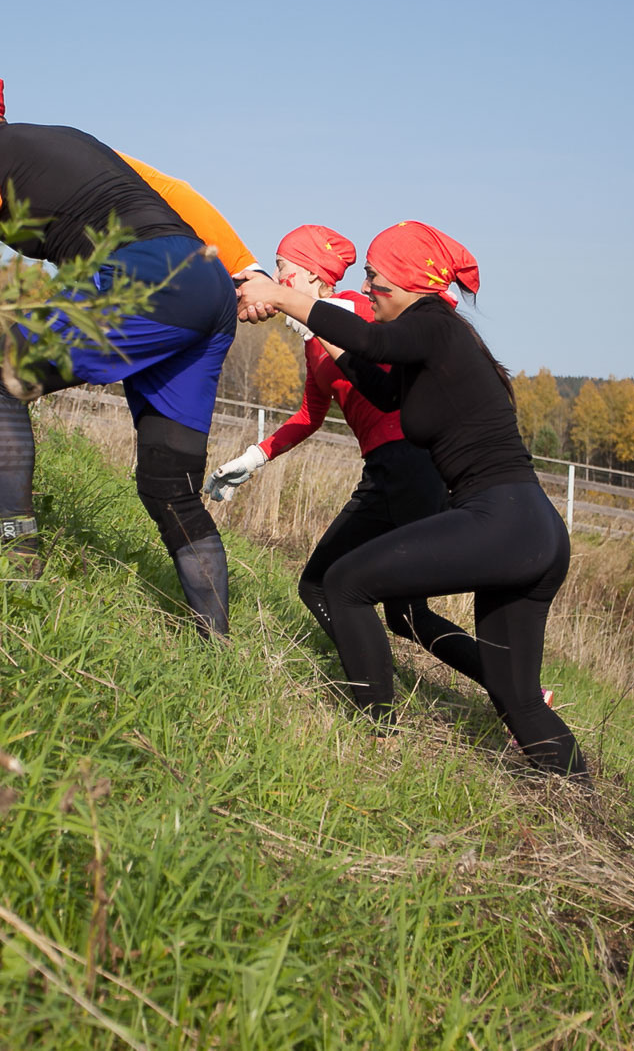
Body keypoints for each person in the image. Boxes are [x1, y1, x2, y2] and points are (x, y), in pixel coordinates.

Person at [0, 58, 261, 637]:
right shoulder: (70, 141)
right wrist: (245, 269)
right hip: (206, 285)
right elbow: (176, 192)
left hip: (145, 279)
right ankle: (218, 647)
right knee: (168, 484)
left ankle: (17, 570)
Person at [234, 222, 587, 778]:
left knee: (345, 584)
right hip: (531, 528)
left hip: (501, 518)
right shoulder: (433, 346)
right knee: (517, 701)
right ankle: (585, 808)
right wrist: (318, 336)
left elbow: (372, 341)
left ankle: (376, 743)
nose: (367, 289)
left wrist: (282, 296)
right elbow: (375, 382)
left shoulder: (434, 326)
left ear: (405, 281)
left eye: (373, 280)